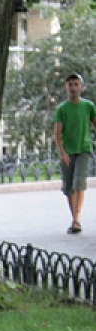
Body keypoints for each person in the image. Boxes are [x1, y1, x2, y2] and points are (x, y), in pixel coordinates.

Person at [53, 73, 96, 234]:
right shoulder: (61, 109)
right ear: (66, 88)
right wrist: (62, 152)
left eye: (76, 84)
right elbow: (57, 133)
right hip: (68, 151)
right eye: (70, 85)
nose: (73, 88)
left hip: (84, 148)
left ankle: (76, 219)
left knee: (79, 182)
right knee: (69, 186)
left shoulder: (88, 106)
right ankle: (75, 219)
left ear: (82, 87)